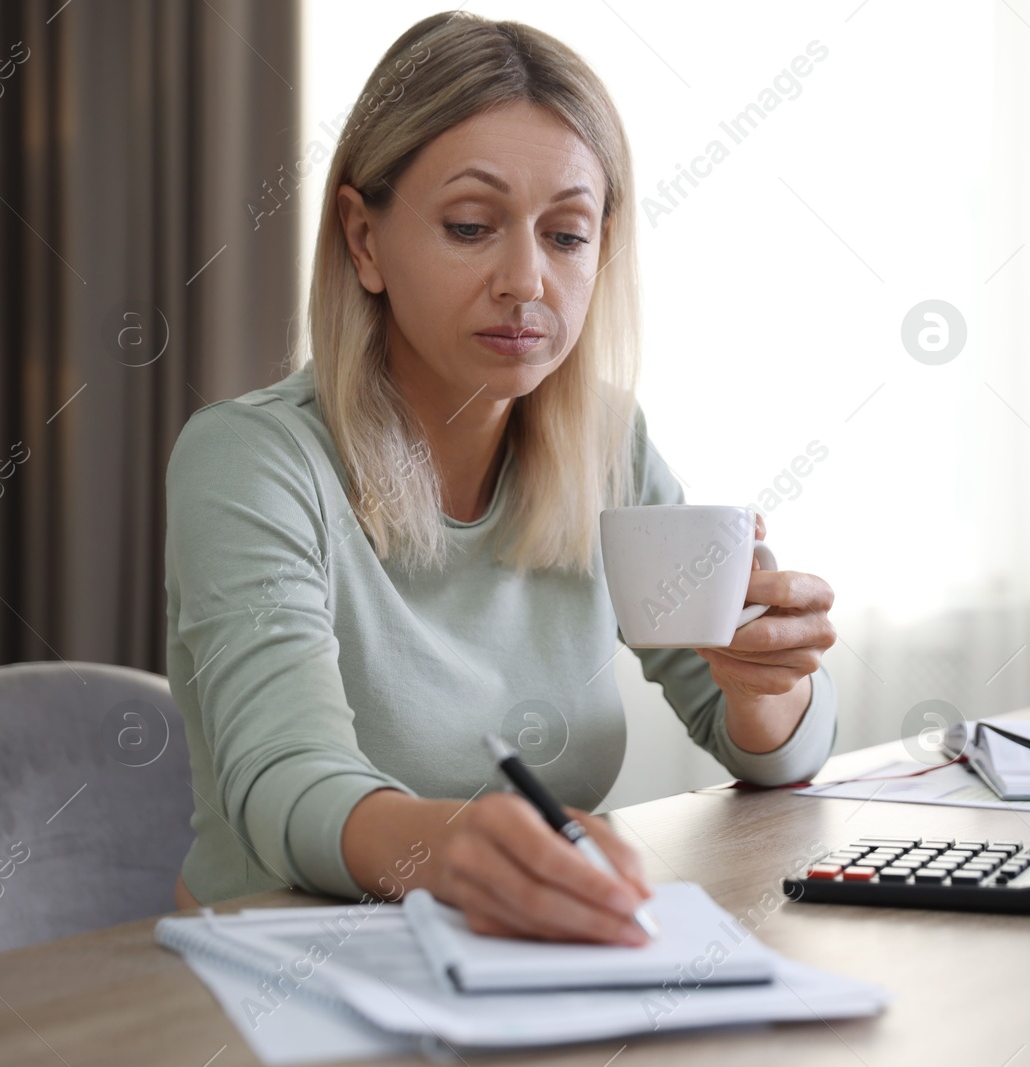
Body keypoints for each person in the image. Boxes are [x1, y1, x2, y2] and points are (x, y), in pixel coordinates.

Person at [164, 11, 839, 945]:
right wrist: (456, 845)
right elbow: (285, 777)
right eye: (473, 226)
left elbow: (764, 750)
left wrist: (767, 688)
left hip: (526, 965)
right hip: (277, 968)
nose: (526, 280)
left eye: (567, 236)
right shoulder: (252, 462)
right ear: (363, 239)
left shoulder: (610, 446)